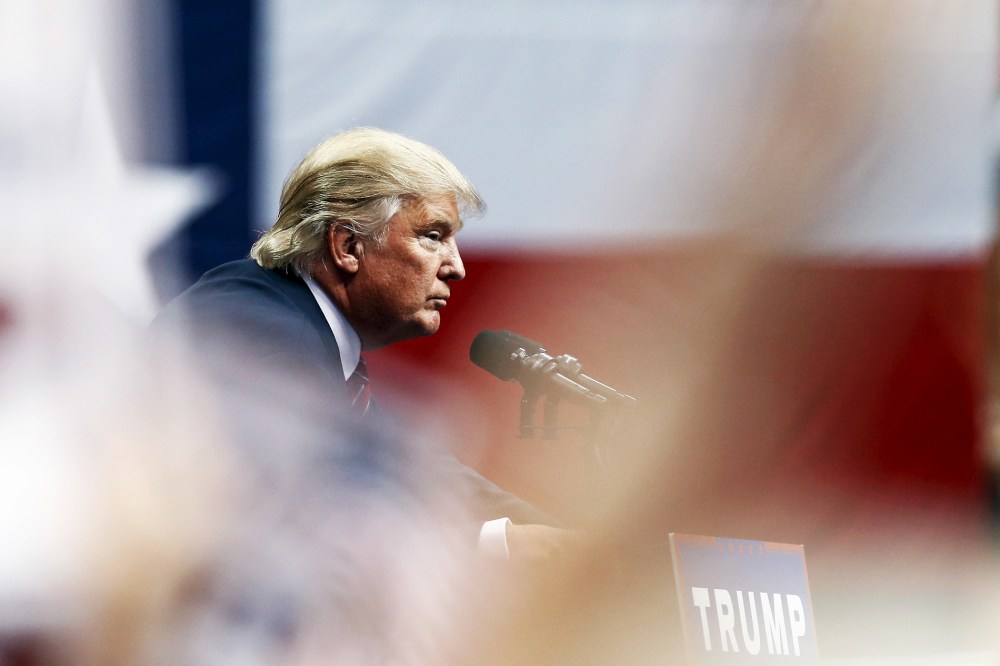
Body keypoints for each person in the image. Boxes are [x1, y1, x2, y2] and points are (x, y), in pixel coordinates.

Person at [154, 127, 568, 562]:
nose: (457, 267)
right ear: (348, 246)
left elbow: (418, 474)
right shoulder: (259, 333)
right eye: (433, 235)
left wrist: (559, 538)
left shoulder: (305, 328)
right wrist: (496, 544)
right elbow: (296, 527)